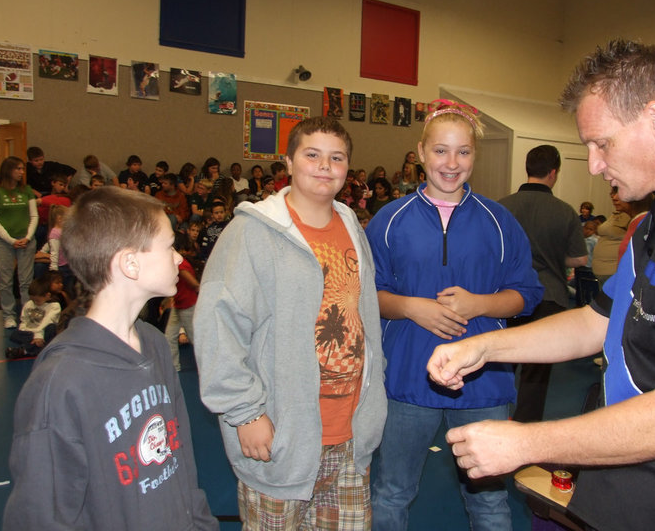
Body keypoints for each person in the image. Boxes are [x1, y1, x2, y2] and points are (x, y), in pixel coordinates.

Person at [426, 39, 655, 531]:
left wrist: (525, 442)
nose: (592, 164)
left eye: (601, 143)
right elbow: (597, 320)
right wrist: (484, 347)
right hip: (627, 490)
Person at [194, 116, 386, 530]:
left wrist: (374, 402)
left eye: (336, 158)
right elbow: (217, 326)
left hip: (351, 434)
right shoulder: (252, 232)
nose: (324, 166)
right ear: (289, 161)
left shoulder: (352, 225)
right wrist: (245, 413)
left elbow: (365, 317)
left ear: (347, 168)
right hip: (282, 433)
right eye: (312, 154)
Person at [365, 100, 542, 531]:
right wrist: (411, 307)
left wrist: (480, 303)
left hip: (484, 384)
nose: (451, 163)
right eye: (441, 151)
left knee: (489, 503)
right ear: (421, 152)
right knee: (391, 494)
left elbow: (528, 294)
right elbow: (366, 294)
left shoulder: (500, 221)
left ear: (474, 157)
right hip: (406, 382)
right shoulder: (389, 221)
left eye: (463, 152)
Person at [3, 186, 218, 530]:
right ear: (130, 263)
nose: (179, 258)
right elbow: (40, 516)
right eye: (168, 246)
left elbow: (178, 460)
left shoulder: (154, 344)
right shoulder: (60, 383)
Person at [499, 144, 588, 422]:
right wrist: (552, 256)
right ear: (554, 172)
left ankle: (494, 419)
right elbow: (580, 259)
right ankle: (525, 428)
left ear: (528, 169)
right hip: (549, 297)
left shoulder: (501, 207)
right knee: (536, 374)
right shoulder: (564, 211)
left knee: (501, 362)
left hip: (507, 297)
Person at [0, 156, 38, 329]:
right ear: (8, 170)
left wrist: (28, 237)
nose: (21, 172)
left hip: (26, 241)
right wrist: (10, 239)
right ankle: (8, 315)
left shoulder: (27, 190)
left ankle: (27, 314)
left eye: (23, 169)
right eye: (18, 169)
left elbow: (34, 215)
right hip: (3, 243)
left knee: (26, 281)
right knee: (6, 280)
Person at [164, 232, 200, 372]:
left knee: (194, 338)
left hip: (188, 305)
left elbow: (194, 284)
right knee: (169, 336)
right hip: (179, 304)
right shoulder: (177, 263)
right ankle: (174, 367)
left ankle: (206, 369)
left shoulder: (180, 265)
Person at [5, 276, 61, 359]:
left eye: (37, 300)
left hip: (43, 331)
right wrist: (28, 331)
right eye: (32, 300)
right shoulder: (29, 304)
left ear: (48, 296)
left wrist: (39, 335)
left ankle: (24, 351)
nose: (34, 302)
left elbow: (47, 322)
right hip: (30, 333)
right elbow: (24, 320)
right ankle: (40, 347)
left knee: (51, 329)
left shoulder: (54, 306)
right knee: (14, 334)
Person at [590, 186, 630, 285]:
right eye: (612, 194)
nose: (614, 197)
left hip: (615, 273)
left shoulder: (632, 216)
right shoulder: (615, 214)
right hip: (601, 273)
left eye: (617, 193)